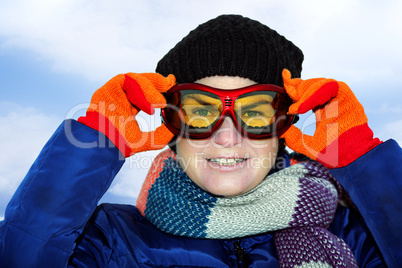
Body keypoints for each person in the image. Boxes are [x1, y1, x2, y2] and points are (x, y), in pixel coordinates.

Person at [0, 14, 401, 267]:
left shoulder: (358, 239)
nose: (227, 136)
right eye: (201, 110)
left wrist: (361, 159)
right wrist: (98, 137)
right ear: (173, 123)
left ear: (285, 126)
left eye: (256, 111)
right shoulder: (108, 241)